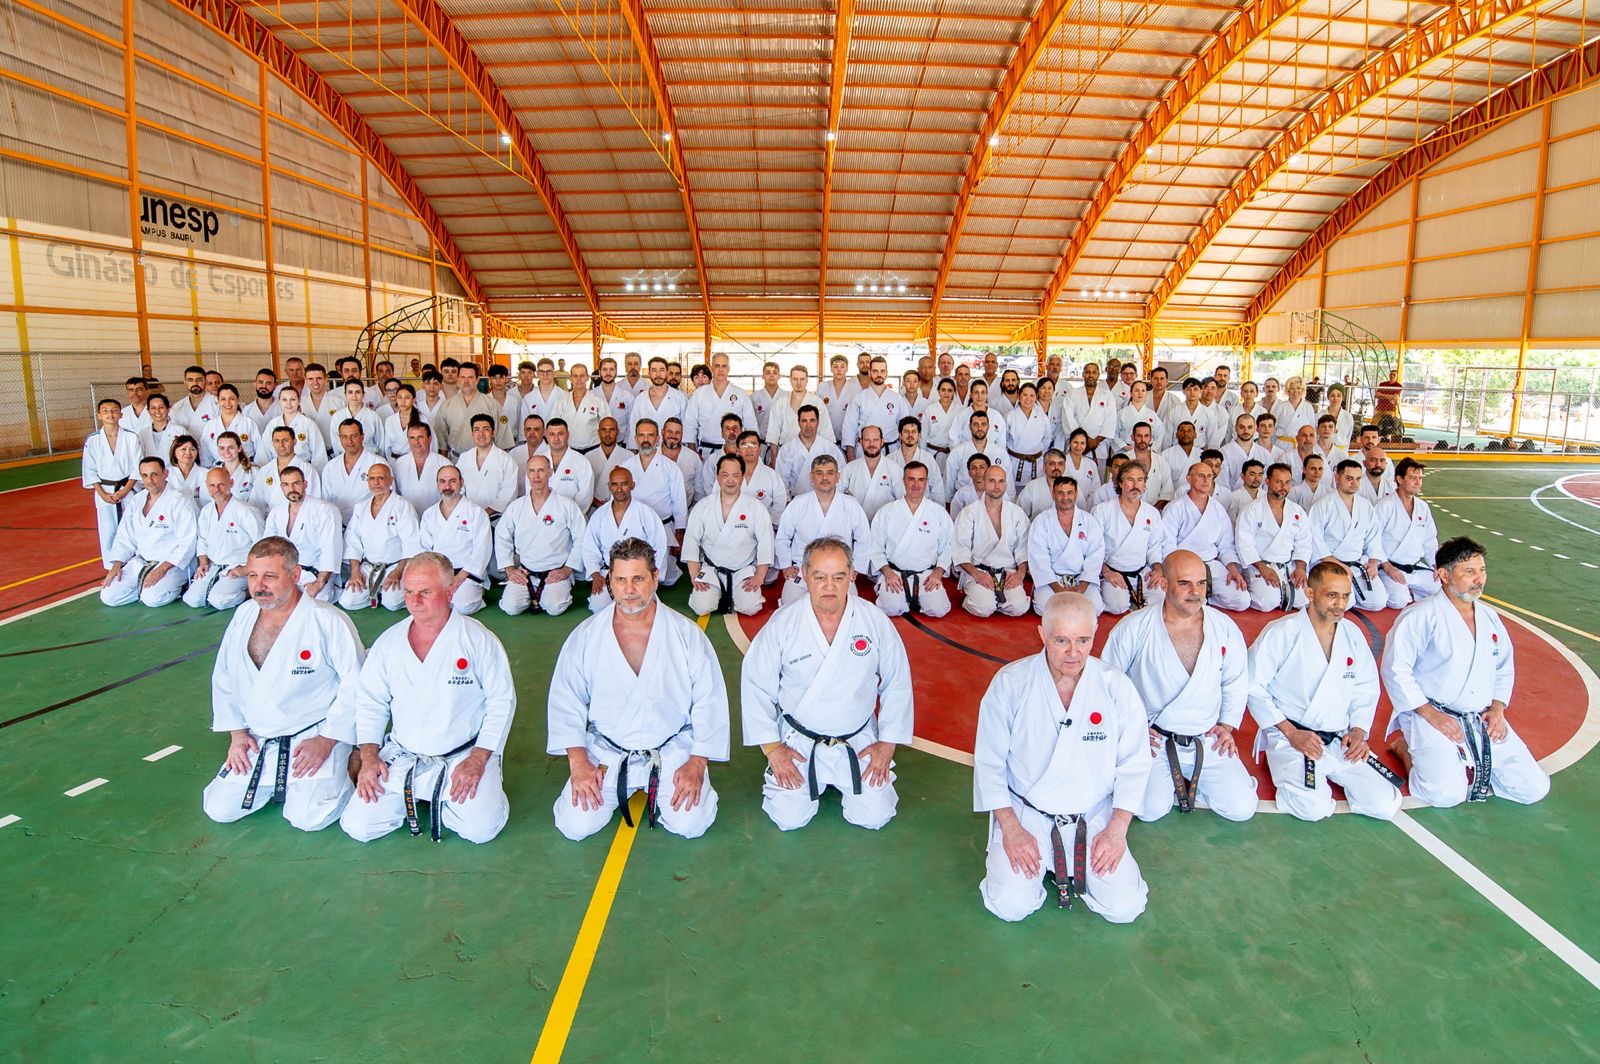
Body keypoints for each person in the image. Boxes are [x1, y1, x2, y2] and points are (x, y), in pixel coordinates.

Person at [973, 592, 1150, 923]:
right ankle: (1035, 863)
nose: (1074, 653)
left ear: (1095, 634)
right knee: (1010, 905)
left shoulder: (1116, 687)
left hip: (1093, 819)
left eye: (1083, 640)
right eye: (1062, 640)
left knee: (1126, 907)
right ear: (1042, 634)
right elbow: (989, 763)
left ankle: (1064, 862)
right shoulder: (1011, 683)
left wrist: (1116, 829)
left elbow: (1135, 763)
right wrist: (1011, 829)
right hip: (1028, 816)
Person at [547, 538, 730, 839]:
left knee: (691, 825)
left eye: (638, 579)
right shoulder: (587, 636)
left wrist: (697, 762)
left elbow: (709, 700)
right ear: (610, 582)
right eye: (620, 580)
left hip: (672, 751)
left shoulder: (685, 634)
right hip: (607, 752)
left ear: (655, 579)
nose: (629, 590)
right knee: (574, 826)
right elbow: (566, 700)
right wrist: (578, 763)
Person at [341, 552, 516, 844]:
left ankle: (467, 789)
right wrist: (370, 757)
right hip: (404, 756)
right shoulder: (389, 643)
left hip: (463, 755)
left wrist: (478, 759)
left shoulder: (478, 640)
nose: (414, 601)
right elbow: (371, 701)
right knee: (358, 826)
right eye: (408, 591)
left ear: (450, 591)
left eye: (425, 592)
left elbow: (501, 702)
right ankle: (427, 795)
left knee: (480, 830)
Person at [741, 536, 913, 831]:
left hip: (858, 741)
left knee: (874, 817)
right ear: (805, 575)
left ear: (852, 576)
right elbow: (756, 685)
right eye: (819, 577)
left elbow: (897, 683)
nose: (829, 586)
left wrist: (886, 746)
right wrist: (773, 749)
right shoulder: (783, 624)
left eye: (838, 577)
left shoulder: (874, 621)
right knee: (788, 817)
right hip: (800, 743)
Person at [202, 536, 363, 831]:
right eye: (252, 575)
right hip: (259, 737)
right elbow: (224, 675)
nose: (259, 585)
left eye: (269, 576)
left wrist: (327, 741)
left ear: (295, 574)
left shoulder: (327, 621)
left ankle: (349, 761)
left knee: (308, 819)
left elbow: (356, 686)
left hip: (313, 737)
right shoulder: (244, 615)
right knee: (218, 808)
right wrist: (237, 734)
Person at [1381, 537, 1549, 807]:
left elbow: (1504, 666)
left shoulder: (1490, 618)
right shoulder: (1420, 616)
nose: (1479, 579)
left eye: (1482, 570)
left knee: (1533, 788)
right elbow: (1395, 669)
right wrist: (1430, 715)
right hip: (1432, 714)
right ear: (1443, 575)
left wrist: (1497, 709)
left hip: (1480, 717)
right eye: (1469, 572)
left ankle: (1469, 757)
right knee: (1445, 795)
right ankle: (1405, 748)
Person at [1101, 550, 1256, 823]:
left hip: (1206, 738)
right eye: (1184, 583)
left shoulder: (1224, 627)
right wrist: (1129, 731)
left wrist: (1228, 726)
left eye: (1201, 584)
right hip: (1155, 740)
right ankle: (1157, 779)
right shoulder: (1134, 628)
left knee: (1241, 808)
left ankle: (1192, 780)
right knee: (1149, 810)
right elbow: (1107, 684)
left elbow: (1235, 680)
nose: (1195, 592)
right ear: (1164, 585)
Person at [1247, 562, 1402, 822]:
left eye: (1345, 596)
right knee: (1313, 809)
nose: (1339, 604)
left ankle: (1325, 772)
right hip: (1292, 737)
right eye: (1331, 595)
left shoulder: (1352, 634)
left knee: (1385, 803)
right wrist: (1291, 732)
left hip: (1339, 739)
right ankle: (1286, 769)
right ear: (1309, 593)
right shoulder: (1282, 633)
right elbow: (1252, 686)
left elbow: (1366, 688)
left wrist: (1358, 731)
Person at [494, 454, 586, 616]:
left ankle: (550, 594)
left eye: (541, 470)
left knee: (554, 607)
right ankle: (533, 596)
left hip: (555, 572)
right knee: (510, 607)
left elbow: (582, 538)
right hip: (525, 572)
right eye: (532, 471)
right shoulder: (516, 507)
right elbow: (502, 537)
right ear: (527, 474)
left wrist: (567, 569)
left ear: (550, 473)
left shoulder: (566, 506)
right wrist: (510, 569)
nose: (536, 476)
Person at [99, 456, 198, 607]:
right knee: (108, 596)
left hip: (172, 563)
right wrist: (116, 565)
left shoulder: (180, 501)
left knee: (152, 599)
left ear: (165, 474)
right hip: (141, 562)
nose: (150, 480)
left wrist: (162, 569)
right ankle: (143, 588)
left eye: (154, 474)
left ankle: (177, 586)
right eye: (145, 475)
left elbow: (188, 541)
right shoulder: (137, 500)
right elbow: (125, 536)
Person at [773, 454, 872, 605]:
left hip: (839, 569)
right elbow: (783, 537)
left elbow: (863, 538)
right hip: (804, 567)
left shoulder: (850, 505)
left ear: (838, 477)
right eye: (819, 473)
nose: (824, 478)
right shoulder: (798, 504)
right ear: (811, 477)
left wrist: (855, 566)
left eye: (830, 473)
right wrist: (786, 565)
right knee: (790, 605)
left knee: (849, 605)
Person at [684, 455, 774, 616]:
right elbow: (691, 541)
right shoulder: (703, 507)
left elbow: (766, 542)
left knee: (750, 608)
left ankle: (735, 594)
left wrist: (760, 575)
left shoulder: (755, 507)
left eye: (735, 475)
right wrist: (694, 574)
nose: (730, 480)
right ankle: (719, 593)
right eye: (725, 475)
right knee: (701, 607)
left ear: (742, 476)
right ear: (717, 477)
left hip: (743, 569)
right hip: (712, 568)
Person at [1161, 462, 1250, 611]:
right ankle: (1202, 599)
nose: (1206, 480)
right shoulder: (1175, 509)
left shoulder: (1217, 509)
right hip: (1184, 567)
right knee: (1189, 605)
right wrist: (1176, 571)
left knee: (1242, 600)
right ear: (1189, 479)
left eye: (1209, 476)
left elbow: (1226, 545)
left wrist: (1233, 569)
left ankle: (1208, 598)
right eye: (1201, 476)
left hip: (1211, 564)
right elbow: (1167, 546)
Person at [870, 461, 953, 618]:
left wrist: (938, 573)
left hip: (926, 575)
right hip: (895, 574)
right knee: (891, 608)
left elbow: (948, 546)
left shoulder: (938, 513)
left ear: (926, 482)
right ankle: (892, 594)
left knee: (938, 609)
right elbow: (875, 547)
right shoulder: (887, 511)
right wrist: (887, 573)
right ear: (903, 481)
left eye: (921, 480)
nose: (916, 484)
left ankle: (913, 599)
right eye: (911, 479)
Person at [582, 466, 671, 612]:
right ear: (609, 486)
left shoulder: (646, 513)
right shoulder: (599, 515)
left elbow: (659, 545)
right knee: (599, 607)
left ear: (632, 485)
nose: (619, 489)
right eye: (615, 484)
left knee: (640, 607)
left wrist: (653, 576)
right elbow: (589, 547)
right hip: (608, 573)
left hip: (638, 573)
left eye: (624, 484)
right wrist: (595, 574)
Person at [338, 463, 420, 612]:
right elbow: (353, 540)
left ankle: (382, 593)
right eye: (372, 478)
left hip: (395, 567)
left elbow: (411, 542)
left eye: (381, 478)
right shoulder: (361, 508)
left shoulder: (402, 506)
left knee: (392, 603)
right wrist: (355, 571)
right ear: (368, 481)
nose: (376, 483)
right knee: (347, 601)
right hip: (369, 568)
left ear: (390, 480)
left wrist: (398, 571)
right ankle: (376, 591)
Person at [1309, 459, 1387, 612]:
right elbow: (1314, 539)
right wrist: (1337, 564)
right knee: (1346, 603)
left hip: (1358, 565)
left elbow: (1374, 536)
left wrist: (1373, 561)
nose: (1354, 483)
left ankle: (1351, 594)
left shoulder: (1365, 506)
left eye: (1358, 479)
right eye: (1349, 478)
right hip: (1330, 565)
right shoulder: (1323, 505)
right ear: (1337, 477)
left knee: (1378, 602)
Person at [952, 463, 1030, 618]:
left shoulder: (1016, 513)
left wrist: (1020, 574)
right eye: (992, 481)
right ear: (984, 481)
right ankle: (976, 597)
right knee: (983, 608)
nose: (996, 486)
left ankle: (997, 599)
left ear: (1006, 484)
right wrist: (976, 574)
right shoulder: (969, 512)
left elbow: (1023, 547)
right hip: (978, 571)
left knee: (1019, 608)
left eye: (1001, 481)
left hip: (1008, 572)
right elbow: (960, 549)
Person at [414, 464, 492, 615]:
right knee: (422, 603)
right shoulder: (429, 514)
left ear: (461, 483)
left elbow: (482, 550)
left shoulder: (475, 513)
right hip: (438, 574)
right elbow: (424, 550)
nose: (447, 486)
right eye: (442, 481)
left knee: (462, 606)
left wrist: (459, 578)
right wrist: (434, 576)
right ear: (437, 484)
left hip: (466, 574)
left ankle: (477, 592)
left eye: (452, 481)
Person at [184, 467, 264, 610]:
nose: (217, 490)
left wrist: (247, 569)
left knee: (219, 600)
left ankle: (248, 593)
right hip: (215, 566)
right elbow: (202, 541)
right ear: (206, 486)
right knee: (192, 599)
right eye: (212, 485)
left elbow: (263, 544)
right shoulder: (207, 511)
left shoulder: (245, 511)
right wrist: (203, 563)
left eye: (221, 484)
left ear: (231, 483)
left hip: (238, 567)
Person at [1236, 462, 1312, 612]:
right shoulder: (1252, 509)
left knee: (1303, 600)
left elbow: (1304, 542)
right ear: (1267, 481)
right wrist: (1263, 568)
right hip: (1259, 565)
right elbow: (1244, 543)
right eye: (1278, 482)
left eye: (1287, 482)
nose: (1283, 486)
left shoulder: (1297, 511)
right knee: (1267, 603)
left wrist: (1301, 567)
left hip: (1287, 567)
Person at [1093, 461, 1166, 615]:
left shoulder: (1151, 513)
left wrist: (1157, 569)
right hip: (1112, 571)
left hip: (1140, 571)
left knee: (1161, 597)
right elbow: (1093, 547)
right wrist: (1106, 572)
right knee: (1117, 606)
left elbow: (1155, 546)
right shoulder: (1103, 510)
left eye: (1140, 480)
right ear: (1120, 483)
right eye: (1130, 480)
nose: (1136, 485)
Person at [263, 466, 344, 603]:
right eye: (286, 484)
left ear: (305, 484)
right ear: (281, 487)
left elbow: (330, 548)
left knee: (314, 601)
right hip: (288, 572)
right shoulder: (276, 513)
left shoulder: (325, 510)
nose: (291, 489)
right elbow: (268, 547)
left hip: (316, 572)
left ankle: (335, 590)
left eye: (296, 483)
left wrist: (319, 583)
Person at [1027, 476, 1104, 616]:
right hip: (1052, 579)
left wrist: (1081, 587)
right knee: (1043, 607)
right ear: (1053, 494)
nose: (1065, 497)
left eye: (1069, 492)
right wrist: (1057, 588)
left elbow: (1095, 556)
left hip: (1081, 578)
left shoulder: (1089, 521)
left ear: (1076, 494)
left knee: (1096, 608)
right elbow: (1038, 558)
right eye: (1060, 493)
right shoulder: (1041, 521)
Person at [84, 398, 144, 564]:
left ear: (121, 414)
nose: (110, 414)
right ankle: (111, 567)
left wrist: (125, 491)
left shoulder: (131, 437)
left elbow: (138, 466)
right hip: (105, 491)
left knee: (133, 527)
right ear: (99, 415)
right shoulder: (93, 440)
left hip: (128, 489)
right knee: (108, 531)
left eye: (114, 410)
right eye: (105, 411)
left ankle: (135, 563)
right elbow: (89, 470)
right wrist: (102, 494)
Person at [1376, 457, 1439, 608]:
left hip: (1414, 568)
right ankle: (1401, 590)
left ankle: (1410, 589)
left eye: (1420, 478)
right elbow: (1372, 540)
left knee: (1442, 588)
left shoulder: (1422, 507)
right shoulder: (1385, 506)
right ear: (1399, 479)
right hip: (1389, 568)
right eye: (1412, 478)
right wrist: (1387, 566)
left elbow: (1430, 541)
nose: (1418, 483)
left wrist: (1436, 565)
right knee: (1399, 601)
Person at [685, 354, 757, 455]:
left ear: (729, 369)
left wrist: (747, 452)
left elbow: (751, 425)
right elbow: (690, 424)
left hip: (734, 450)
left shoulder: (740, 394)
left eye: (724, 366)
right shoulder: (699, 393)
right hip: (706, 451)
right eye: (717, 366)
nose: (721, 370)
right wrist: (692, 452)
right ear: (711, 368)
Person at [841, 356, 910, 460]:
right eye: (875, 371)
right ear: (869, 373)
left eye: (882, 371)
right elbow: (849, 427)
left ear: (886, 373)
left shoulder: (897, 398)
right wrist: (850, 454)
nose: (879, 375)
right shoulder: (859, 398)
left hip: (891, 449)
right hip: (866, 449)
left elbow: (905, 426)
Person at [775, 404, 845, 498]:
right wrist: (788, 503)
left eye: (812, 420)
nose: (808, 425)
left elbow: (841, 477)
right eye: (804, 421)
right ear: (798, 423)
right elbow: (782, 482)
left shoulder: (830, 448)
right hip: (797, 501)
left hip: (826, 499)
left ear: (818, 422)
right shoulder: (787, 449)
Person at [320, 419, 381, 524]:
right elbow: (326, 501)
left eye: (354, 436)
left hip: (368, 524)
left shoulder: (378, 463)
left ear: (362, 437)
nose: (349, 441)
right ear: (339, 438)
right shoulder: (331, 467)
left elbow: (385, 499)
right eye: (344, 437)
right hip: (338, 524)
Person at [435, 362, 501, 458]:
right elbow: (442, 439)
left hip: (484, 458)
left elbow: (501, 436)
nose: (466, 381)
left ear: (477, 380)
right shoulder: (447, 405)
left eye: (470, 377)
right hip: (455, 459)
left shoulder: (492, 404)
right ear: (458, 380)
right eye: (462, 377)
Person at [457, 414, 517, 518]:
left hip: (496, 519)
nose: (481, 434)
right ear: (472, 434)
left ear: (493, 433)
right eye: (476, 430)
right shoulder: (464, 458)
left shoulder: (506, 460)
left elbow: (509, 491)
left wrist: (486, 512)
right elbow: (458, 487)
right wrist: (467, 511)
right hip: (468, 517)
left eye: (486, 429)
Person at [840, 425, 902, 521]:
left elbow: (902, 501)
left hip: (885, 525)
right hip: (856, 524)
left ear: (882, 442)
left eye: (875, 440)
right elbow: (836, 495)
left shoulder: (895, 469)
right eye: (867, 440)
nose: (871, 444)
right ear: (861, 442)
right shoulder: (849, 469)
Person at [393, 422, 450, 512]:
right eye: (412, 438)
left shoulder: (444, 464)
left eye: (420, 437)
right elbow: (394, 494)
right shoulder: (399, 464)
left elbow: (452, 495)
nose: (416, 442)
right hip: (406, 517)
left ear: (429, 439)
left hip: (435, 517)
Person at [816, 352, 860, 439]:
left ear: (847, 368)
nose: (839, 369)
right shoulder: (822, 386)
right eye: (835, 366)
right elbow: (815, 411)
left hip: (848, 438)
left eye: (842, 366)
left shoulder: (856, 389)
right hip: (825, 437)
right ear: (831, 369)